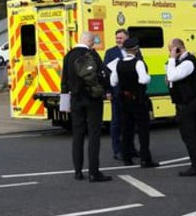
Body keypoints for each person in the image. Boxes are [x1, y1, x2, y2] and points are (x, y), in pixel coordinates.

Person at [60, 31, 112, 182]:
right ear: (90, 42)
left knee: (78, 135)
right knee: (94, 134)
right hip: (93, 99)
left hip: (76, 100)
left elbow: (64, 80)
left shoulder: (68, 56)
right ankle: (93, 172)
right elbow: (103, 74)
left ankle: (77, 171)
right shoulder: (92, 54)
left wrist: (65, 102)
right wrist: (106, 90)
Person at [107, 37, 158, 168]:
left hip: (124, 100)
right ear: (136, 49)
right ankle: (145, 159)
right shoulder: (138, 63)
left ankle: (127, 157)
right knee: (143, 130)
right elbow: (143, 80)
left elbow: (113, 82)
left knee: (126, 129)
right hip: (138, 100)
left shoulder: (118, 63)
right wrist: (148, 77)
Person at [165, 38, 196, 176]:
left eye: (171, 50)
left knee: (189, 135)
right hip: (186, 102)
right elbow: (170, 78)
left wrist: (172, 59)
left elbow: (172, 76)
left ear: (178, 49)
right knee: (194, 133)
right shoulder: (183, 62)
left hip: (189, 103)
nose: (170, 53)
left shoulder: (188, 63)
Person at [103, 29, 141, 161]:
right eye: (117, 38)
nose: (118, 40)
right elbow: (106, 73)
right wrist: (107, 91)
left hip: (132, 93)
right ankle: (118, 150)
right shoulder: (110, 52)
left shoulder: (135, 52)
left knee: (131, 123)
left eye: (121, 38)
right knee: (116, 123)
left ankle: (130, 148)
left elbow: (140, 66)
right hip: (117, 93)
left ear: (127, 38)